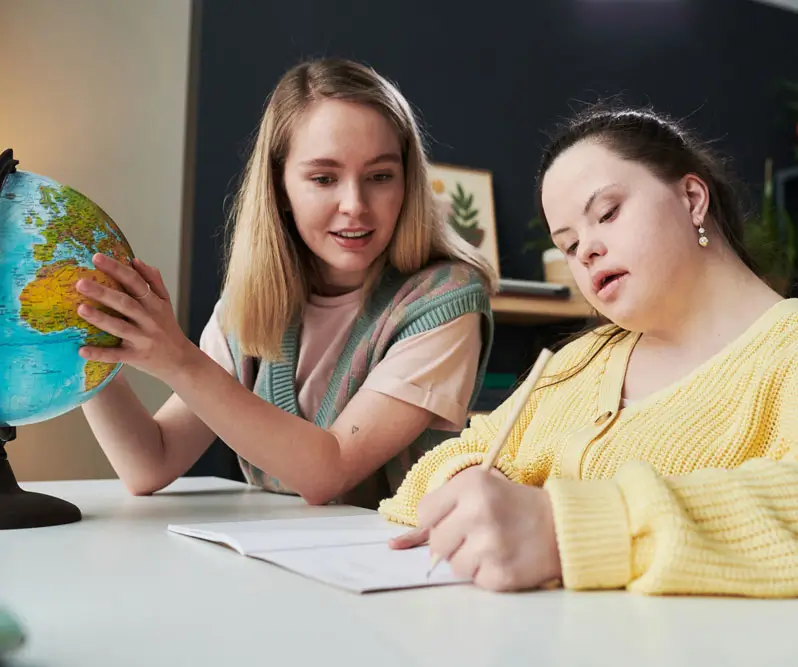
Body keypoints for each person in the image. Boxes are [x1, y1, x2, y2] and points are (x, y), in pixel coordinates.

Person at [380, 103, 798, 613]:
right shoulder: (574, 365)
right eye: (569, 244)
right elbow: (429, 478)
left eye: (607, 213)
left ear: (692, 198)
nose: (588, 250)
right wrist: (476, 495)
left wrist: (567, 529)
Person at [75, 58, 496, 508]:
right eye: (323, 178)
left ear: (407, 182)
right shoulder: (253, 303)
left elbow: (328, 472)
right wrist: (81, 339)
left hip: (394, 567)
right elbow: (149, 464)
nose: (354, 204)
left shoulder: (445, 298)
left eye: (380, 176)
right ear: (279, 188)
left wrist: (179, 359)